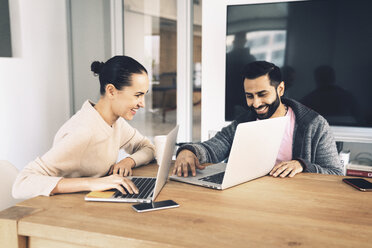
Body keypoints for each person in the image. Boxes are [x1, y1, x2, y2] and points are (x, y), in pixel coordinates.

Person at [13, 56, 155, 199]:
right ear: (111, 91)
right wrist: (92, 183)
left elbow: (148, 147)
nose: (142, 104)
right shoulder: (83, 132)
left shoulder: (115, 122)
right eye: (138, 95)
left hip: (88, 204)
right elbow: (22, 183)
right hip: (61, 211)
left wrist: (128, 161)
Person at [173, 61, 342, 178]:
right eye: (249, 96)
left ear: (280, 89)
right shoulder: (244, 121)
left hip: (296, 202)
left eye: (262, 94)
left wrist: (302, 165)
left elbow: (335, 173)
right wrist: (189, 151)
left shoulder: (315, 125)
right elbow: (213, 148)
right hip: (249, 198)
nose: (255, 103)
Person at [225, 31, 256, 120]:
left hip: (242, 94)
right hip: (230, 94)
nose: (239, 43)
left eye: (241, 41)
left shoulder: (249, 58)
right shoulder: (228, 57)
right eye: (238, 41)